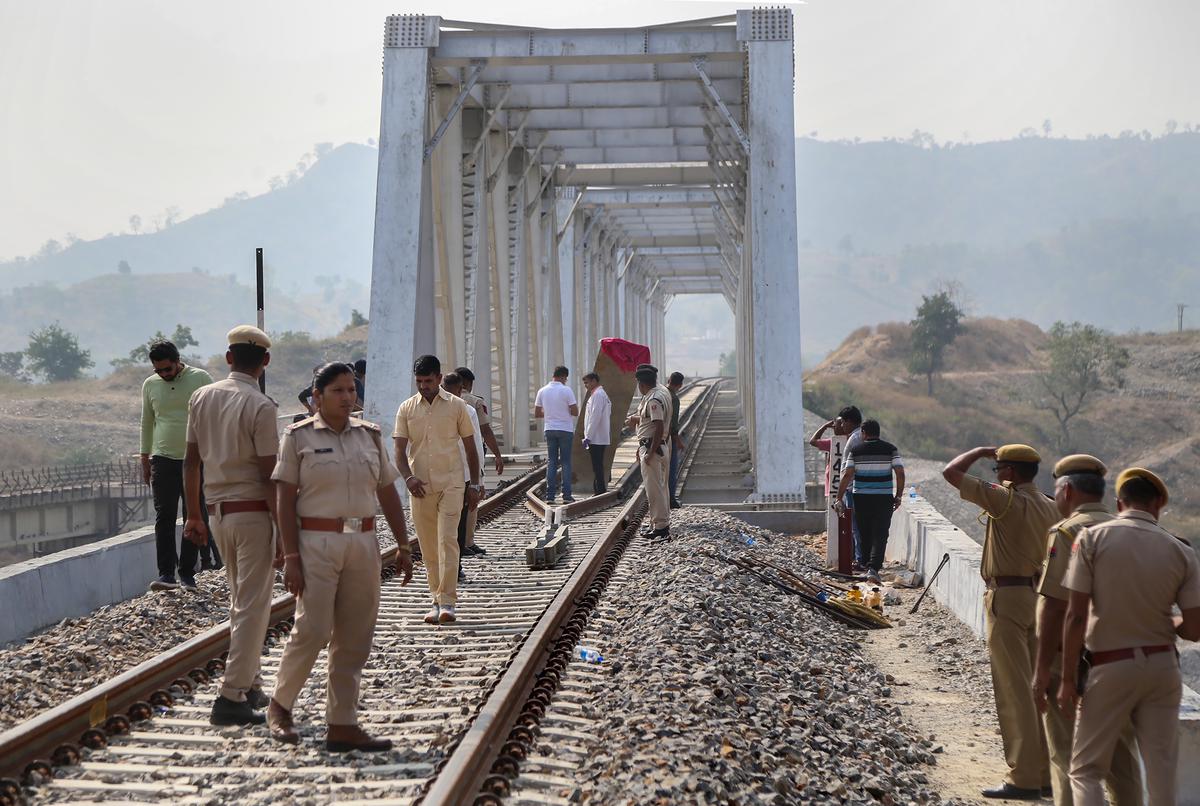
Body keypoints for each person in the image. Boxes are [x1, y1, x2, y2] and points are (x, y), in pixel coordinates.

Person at [265, 362, 413, 752]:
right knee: (312, 629)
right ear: (317, 397)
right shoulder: (297, 438)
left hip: (362, 543)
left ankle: (342, 724)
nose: (349, 397)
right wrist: (290, 555)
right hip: (316, 542)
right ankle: (280, 706)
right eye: (339, 391)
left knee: (355, 636)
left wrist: (403, 543)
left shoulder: (370, 436)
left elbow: (387, 492)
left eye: (352, 390)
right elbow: (284, 497)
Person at [1059, 468, 1200, 806]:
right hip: (1163, 667)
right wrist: (1168, 624)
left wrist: (1067, 680)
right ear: (1158, 506)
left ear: (1120, 502)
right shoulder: (1182, 551)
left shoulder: (1091, 539)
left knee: (1087, 770)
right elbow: (1195, 629)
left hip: (1110, 666)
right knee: (1161, 771)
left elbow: (1076, 615)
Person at [943, 443, 1060, 800]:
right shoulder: (1051, 505)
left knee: (1014, 691)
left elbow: (951, 473)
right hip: (1037, 598)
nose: (996, 475)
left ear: (1009, 472)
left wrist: (979, 450)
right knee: (1037, 689)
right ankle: (1042, 774)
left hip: (1006, 598)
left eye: (998, 469)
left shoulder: (1005, 499)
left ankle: (1022, 777)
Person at [1031, 455, 1142, 806]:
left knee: (1067, 755)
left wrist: (1042, 669)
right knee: (1121, 759)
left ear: (1067, 491)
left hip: (1070, 657)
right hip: (1115, 657)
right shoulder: (1126, 530)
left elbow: (1055, 606)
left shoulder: (1065, 532)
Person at [182, 326, 279, 726]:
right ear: (265, 362)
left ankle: (251, 682)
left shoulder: (201, 397)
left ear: (228, 358)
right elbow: (270, 474)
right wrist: (287, 531)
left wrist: (193, 515)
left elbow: (190, 462)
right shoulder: (261, 406)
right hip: (254, 514)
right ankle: (231, 696)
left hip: (218, 513)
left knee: (241, 598)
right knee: (253, 606)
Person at [393, 355, 482, 625]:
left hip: (452, 484)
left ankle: (448, 602)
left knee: (447, 541)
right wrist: (408, 478)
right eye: (419, 382)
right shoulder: (407, 409)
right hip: (420, 488)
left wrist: (475, 484)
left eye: (428, 381)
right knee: (428, 546)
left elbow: (471, 448)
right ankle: (435, 599)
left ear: (439, 378)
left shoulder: (458, 407)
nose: (423, 386)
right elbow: (398, 450)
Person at [140, 339, 216, 590]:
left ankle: (187, 572)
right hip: (163, 458)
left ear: (177, 362)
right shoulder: (150, 385)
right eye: (158, 371)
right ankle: (166, 574)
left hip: (194, 459)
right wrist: (144, 456)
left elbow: (214, 415)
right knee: (164, 516)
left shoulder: (200, 378)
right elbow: (147, 421)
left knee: (194, 513)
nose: (164, 375)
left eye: (168, 370)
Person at [833, 419, 904, 585]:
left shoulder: (856, 450)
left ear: (864, 433)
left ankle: (867, 564)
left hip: (861, 498)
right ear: (878, 432)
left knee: (864, 533)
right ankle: (873, 568)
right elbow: (900, 472)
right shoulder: (890, 449)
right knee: (880, 533)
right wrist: (898, 495)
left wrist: (838, 497)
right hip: (883, 497)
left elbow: (847, 474)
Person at [455, 366, 503, 557]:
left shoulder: (441, 400)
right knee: (472, 500)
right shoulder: (474, 402)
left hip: (450, 458)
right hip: (472, 454)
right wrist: (497, 455)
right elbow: (485, 431)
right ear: (468, 384)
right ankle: (467, 541)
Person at [441, 373, 483, 583]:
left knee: (445, 525)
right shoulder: (468, 410)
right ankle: (454, 569)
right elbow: (476, 447)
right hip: (461, 476)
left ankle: (448, 569)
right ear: (461, 390)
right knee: (457, 525)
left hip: (444, 475)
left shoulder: (432, 410)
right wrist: (478, 480)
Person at [626, 364, 671, 540]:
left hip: (654, 447)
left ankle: (661, 527)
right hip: (657, 445)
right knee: (660, 488)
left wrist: (650, 452)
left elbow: (658, 425)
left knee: (654, 489)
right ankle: (659, 523)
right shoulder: (660, 392)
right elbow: (651, 422)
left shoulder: (653, 399)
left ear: (641, 383)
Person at [534, 366, 578, 503]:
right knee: (565, 462)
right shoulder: (566, 390)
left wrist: (550, 412)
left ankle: (550, 496)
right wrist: (563, 411)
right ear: (564, 376)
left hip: (550, 429)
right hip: (565, 429)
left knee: (552, 462)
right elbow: (575, 411)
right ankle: (566, 496)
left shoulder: (542, 391)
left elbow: (537, 413)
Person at [836, 406, 867, 570]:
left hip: (852, 487)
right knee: (858, 526)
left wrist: (839, 495)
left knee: (855, 526)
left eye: (842, 422)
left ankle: (860, 560)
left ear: (848, 421)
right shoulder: (857, 436)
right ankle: (860, 558)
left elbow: (849, 471)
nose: (840, 426)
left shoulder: (855, 439)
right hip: (858, 487)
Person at [581, 372, 611, 494]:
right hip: (598, 436)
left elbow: (594, 417)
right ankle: (598, 489)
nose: (586, 386)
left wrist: (588, 436)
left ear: (594, 381)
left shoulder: (598, 395)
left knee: (597, 465)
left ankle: (600, 491)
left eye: (587, 382)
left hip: (596, 437)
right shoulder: (599, 394)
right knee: (597, 464)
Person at [666, 372, 685, 508]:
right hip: (668, 440)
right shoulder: (674, 399)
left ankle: (662, 498)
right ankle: (671, 499)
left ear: (668, 380)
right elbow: (673, 424)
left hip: (655, 437)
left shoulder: (660, 394)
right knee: (672, 470)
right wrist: (678, 441)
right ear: (680, 385)